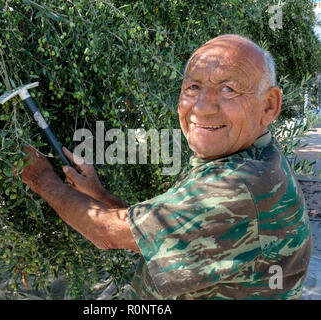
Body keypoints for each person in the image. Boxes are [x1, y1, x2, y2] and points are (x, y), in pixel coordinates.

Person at [20, 34, 312, 300]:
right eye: (193, 87)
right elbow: (152, 235)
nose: (202, 106)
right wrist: (99, 194)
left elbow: (106, 233)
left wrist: (39, 175)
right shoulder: (251, 158)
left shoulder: (240, 185)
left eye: (228, 89)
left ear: (269, 106)